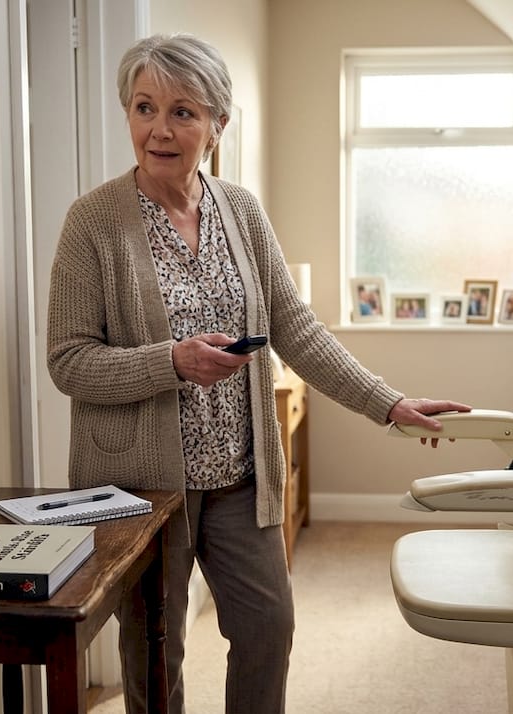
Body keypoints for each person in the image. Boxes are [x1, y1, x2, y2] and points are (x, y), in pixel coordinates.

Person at [45, 33, 470, 714]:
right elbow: (69, 361)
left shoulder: (240, 211)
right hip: (144, 491)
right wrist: (172, 361)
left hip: (242, 478)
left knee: (269, 628)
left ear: (218, 125)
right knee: (155, 651)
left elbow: (294, 329)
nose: (159, 128)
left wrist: (387, 403)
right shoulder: (92, 223)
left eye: (183, 111)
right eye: (144, 107)